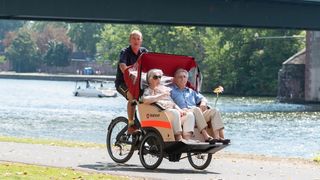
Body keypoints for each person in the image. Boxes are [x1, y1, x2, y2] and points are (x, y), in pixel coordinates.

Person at [170, 68, 230, 144]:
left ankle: (217, 137)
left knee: (214, 111)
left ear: (187, 79)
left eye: (184, 77)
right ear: (175, 79)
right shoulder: (171, 91)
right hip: (184, 114)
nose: (182, 79)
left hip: (198, 115)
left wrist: (203, 102)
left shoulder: (191, 91)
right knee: (196, 109)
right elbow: (169, 102)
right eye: (180, 77)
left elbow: (203, 98)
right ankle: (206, 136)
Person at [142, 69, 195, 141]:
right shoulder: (148, 90)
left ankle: (187, 138)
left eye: (160, 77)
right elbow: (145, 100)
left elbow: (172, 103)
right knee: (175, 112)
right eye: (155, 77)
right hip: (159, 114)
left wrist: (180, 110)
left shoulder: (163, 90)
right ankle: (178, 137)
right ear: (149, 79)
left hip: (170, 115)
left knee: (189, 115)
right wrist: (160, 96)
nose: (158, 79)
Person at [115, 30, 148, 134]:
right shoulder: (125, 52)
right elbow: (122, 65)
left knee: (149, 98)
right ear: (130, 40)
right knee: (132, 97)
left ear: (141, 41)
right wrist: (130, 74)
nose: (136, 41)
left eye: (138, 39)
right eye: (133, 38)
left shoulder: (144, 52)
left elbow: (151, 64)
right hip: (123, 83)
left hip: (138, 84)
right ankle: (131, 125)